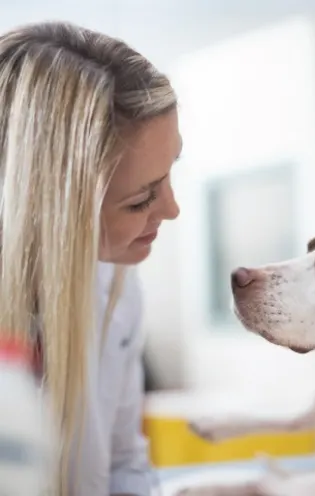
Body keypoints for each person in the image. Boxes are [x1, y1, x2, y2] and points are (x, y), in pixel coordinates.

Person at [0, 21, 181, 496]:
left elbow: (123, 461)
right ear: (46, 207)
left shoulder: (118, 285)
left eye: (169, 175)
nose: (172, 210)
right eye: (141, 199)